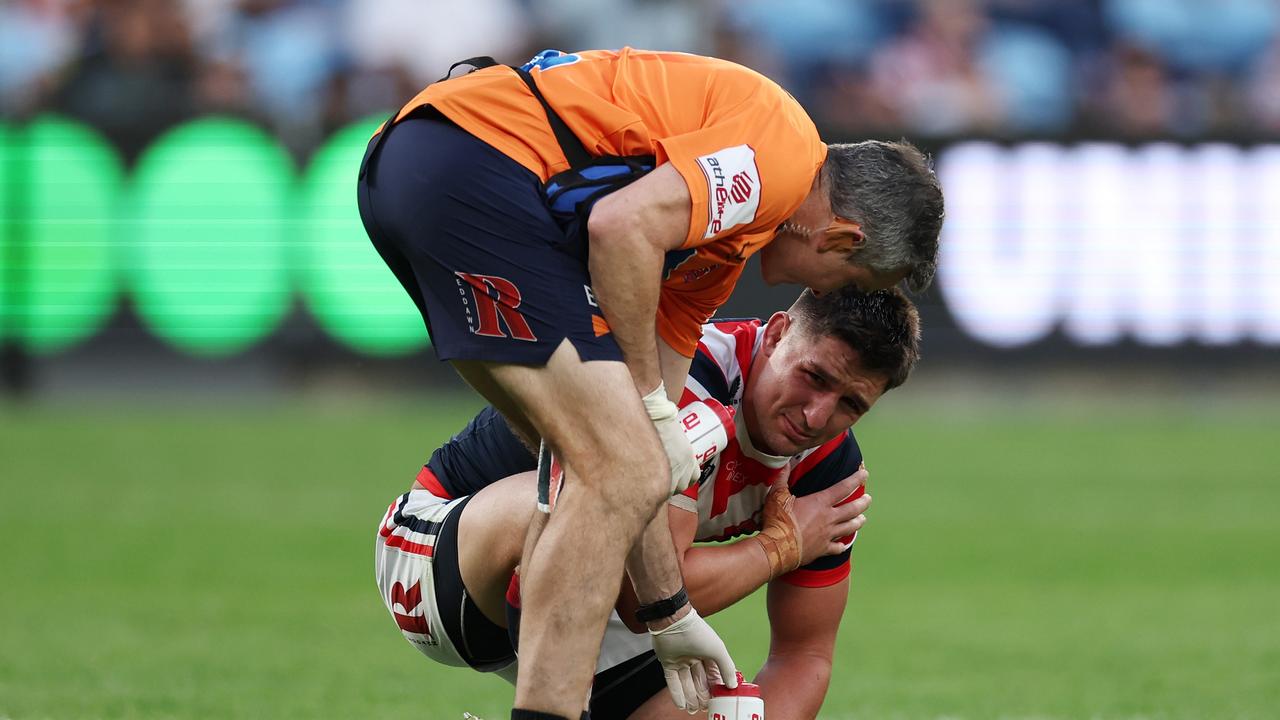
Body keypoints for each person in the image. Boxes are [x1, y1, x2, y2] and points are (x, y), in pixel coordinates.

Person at [356, 46, 944, 719]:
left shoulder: (716, 253)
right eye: (852, 281)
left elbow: (649, 436)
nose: (828, 291)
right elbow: (620, 224)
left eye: (848, 404)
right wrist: (666, 436)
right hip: (473, 164)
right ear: (842, 238)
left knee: (608, 468)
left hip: (437, 163)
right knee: (618, 464)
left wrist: (668, 615)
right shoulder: (782, 156)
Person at [374, 287, 922, 719]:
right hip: (437, 560)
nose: (816, 416)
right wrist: (781, 547)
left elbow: (804, 656)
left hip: (588, 604)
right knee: (605, 492)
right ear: (777, 334)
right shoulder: (684, 379)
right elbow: (647, 597)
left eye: (850, 403)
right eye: (814, 377)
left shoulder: (829, 472)